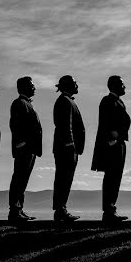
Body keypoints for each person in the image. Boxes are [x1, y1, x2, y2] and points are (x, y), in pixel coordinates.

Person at [91, 76, 131, 224]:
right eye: (121, 84)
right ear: (113, 86)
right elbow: (105, 122)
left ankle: (111, 208)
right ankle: (108, 211)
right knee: (111, 178)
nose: (124, 86)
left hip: (119, 143)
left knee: (116, 177)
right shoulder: (107, 101)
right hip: (112, 145)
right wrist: (112, 139)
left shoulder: (119, 101)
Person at [9, 76, 40, 224]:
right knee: (19, 178)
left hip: (30, 149)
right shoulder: (19, 103)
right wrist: (21, 144)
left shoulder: (27, 103)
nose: (34, 88)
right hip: (25, 149)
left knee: (23, 179)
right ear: (24, 87)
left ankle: (19, 209)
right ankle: (14, 210)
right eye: (32, 86)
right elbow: (15, 125)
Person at [53, 75, 84, 222]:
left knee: (65, 179)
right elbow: (66, 125)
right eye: (74, 82)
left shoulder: (67, 101)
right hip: (66, 148)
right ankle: (60, 210)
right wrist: (70, 144)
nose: (77, 85)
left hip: (69, 147)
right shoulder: (64, 101)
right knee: (63, 179)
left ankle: (61, 208)